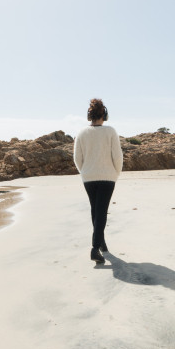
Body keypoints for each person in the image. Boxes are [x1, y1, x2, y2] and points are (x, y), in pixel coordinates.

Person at [72, 98, 123, 264]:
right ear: (105, 115)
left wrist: (85, 172)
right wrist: (116, 173)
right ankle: (95, 247)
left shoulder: (81, 133)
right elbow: (118, 156)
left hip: (88, 178)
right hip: (107, 177)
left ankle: (101, 243)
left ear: (89, 116)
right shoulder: (110, 132)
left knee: (95, 210)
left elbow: (77, 159)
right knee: (101, 211)